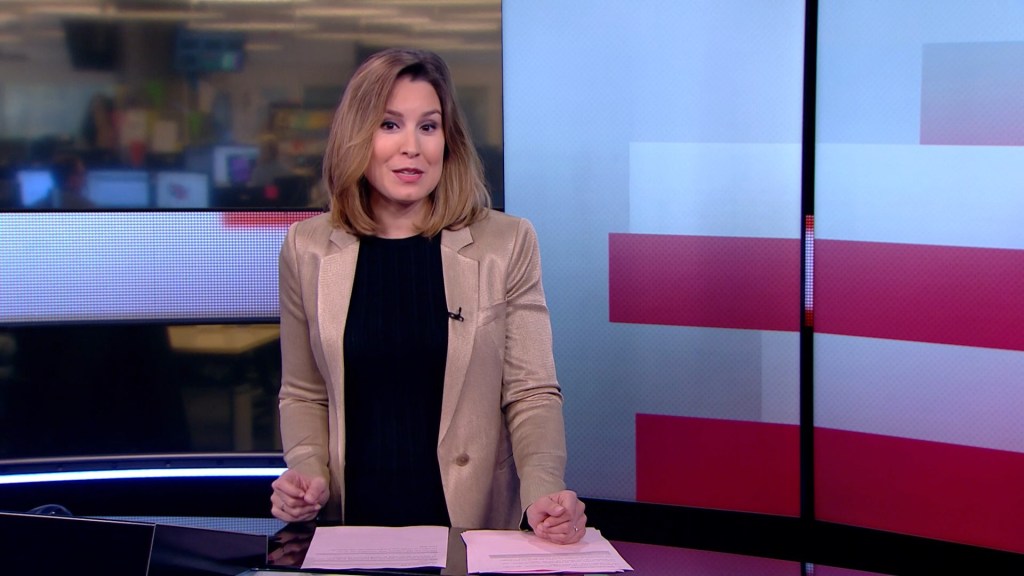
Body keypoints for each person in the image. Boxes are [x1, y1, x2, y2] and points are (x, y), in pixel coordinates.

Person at [270, 48, 586, 545]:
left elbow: (531, 392)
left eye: (428, 126)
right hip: (351, 530)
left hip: (469, 530)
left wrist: (542, 490)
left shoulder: (506, 243)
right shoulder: (306, 248)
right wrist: (308, 470)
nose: (412, 147)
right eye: (390, 125)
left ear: (448, 139)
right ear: (358, 136)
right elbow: (303, 392)